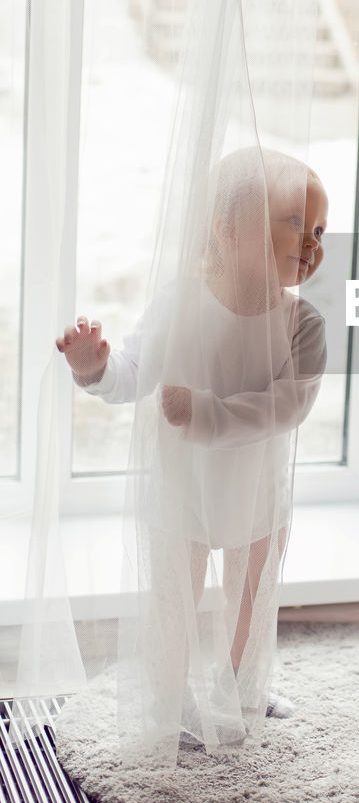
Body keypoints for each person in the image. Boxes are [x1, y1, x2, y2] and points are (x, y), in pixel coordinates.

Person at [57, 148, 328, 750]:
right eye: (294, 224)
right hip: (184, 484)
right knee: (174, 593)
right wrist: (94, 369)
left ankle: (240, 684)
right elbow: (133, 374)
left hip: (258, 484)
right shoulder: (181, 301)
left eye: (319, 230)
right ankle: (168, 694)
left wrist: (204, 413)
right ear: (228, 230)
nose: (310, 243)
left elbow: (291, 405)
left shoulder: (303, 322)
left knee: (252, 589)